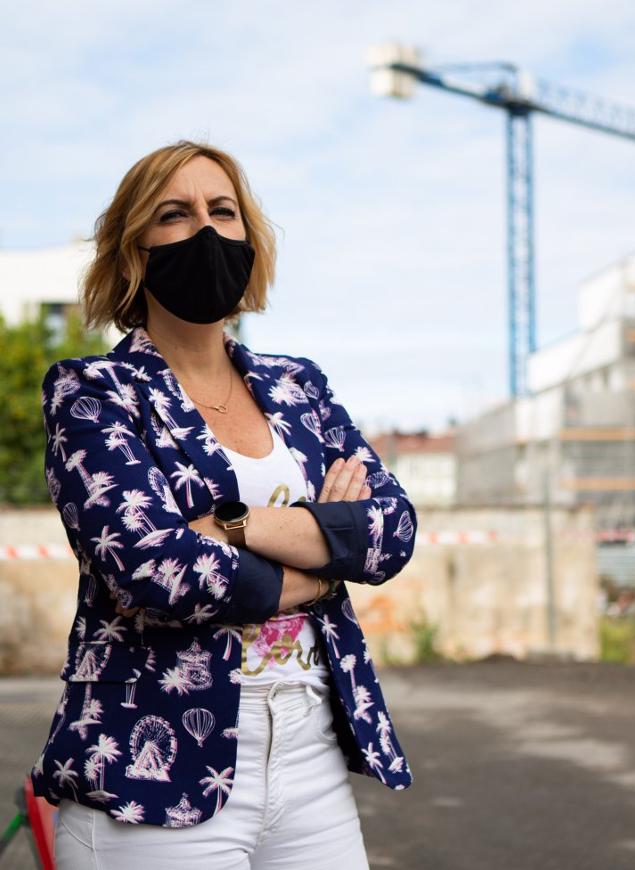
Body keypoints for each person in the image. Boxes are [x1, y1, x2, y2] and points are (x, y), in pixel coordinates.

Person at [30, 140, 419, 869]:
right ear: (133, 251)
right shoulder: (93, 393)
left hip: (310, 753)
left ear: (249, 236)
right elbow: (157, 570)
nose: (205, 231)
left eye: (223, 210)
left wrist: (238, 526)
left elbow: (389, 531)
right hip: (152, 767)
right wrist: (321, 563)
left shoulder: (298, 386)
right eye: (174, 215)